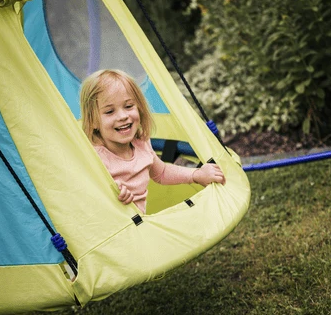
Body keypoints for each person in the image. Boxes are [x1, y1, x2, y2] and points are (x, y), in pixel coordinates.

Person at [80, 69, 226, 213]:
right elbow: (83, 195)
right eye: (109, 111)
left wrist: (196, 175)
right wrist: (108, 191)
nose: (123, 116)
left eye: (129, 106)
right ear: (93, 121)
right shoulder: (96, 157)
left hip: (140, 223)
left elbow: (162, 172)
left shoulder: (141, 143)